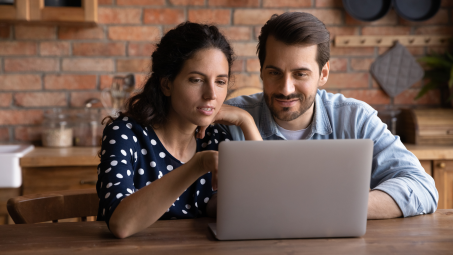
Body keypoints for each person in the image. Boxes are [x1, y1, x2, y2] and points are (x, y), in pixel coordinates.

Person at [215, 12, 438, 219]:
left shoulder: (355, 119)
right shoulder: (230, 119)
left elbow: (421, 187)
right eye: (274, 73)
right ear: (262, 71)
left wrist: (332, 206)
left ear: (323, 74)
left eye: (300, 74)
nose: (286, 88)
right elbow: (204, 199)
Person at [96, 22, 262, 239]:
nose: (211, 94)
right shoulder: (125, 134)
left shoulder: (216, 138)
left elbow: (260, 208)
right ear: (167, 84)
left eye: (220, 81)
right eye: (196, 80)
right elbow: (121, 224)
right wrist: (198, 165)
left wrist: (246, 120)